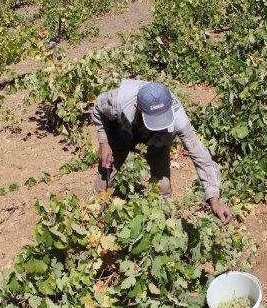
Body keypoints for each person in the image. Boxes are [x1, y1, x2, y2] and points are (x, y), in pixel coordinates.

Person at [91, 79, 232, 225]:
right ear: (138, 108)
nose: (157, 125)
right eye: (154, 121)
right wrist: (104, 141)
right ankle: (92, 218)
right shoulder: (119, 101)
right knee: (105, 173)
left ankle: (162, 225)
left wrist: (215, 201)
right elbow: (98, 109)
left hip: (158, 141)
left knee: (163, 187)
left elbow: (201, 157)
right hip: (123, 129)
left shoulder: (178, 119)